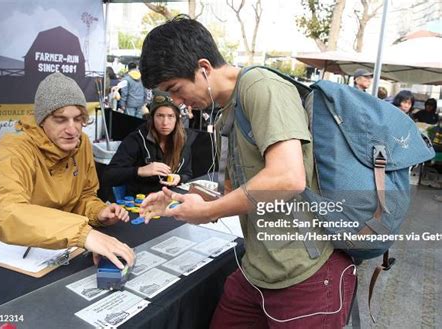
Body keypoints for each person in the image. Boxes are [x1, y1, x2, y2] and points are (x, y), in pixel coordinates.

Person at [139, 16, 356, 329]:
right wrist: (187, 201)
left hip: (306, 274)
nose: (176, 102)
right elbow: (248, 191)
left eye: (175, 89)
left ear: (203, 67)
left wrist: (208, 211)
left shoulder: (261, 86)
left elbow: (287, 177)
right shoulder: (230, 108)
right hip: (258, 270)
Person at [0, 72, 135, 270]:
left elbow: (84, 196)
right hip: (20, 253)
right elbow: (3, 211)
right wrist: (84, 234)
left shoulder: (82, 144)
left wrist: (99, 212)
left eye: (78, 119)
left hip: (66, 249)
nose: (72, 130)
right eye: (61, 120)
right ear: (42, 120)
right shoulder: (14, 149)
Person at [103, 94, 193, 198]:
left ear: (177, 119)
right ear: (152, 117)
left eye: (170, 116)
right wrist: (140, 171)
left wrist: (179, 178)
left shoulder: (182, 141)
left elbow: (188, 173)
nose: (165, 122)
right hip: (141, 203)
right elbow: (109, 175)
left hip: (170, 200)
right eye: (160, 116)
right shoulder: (136, 139)